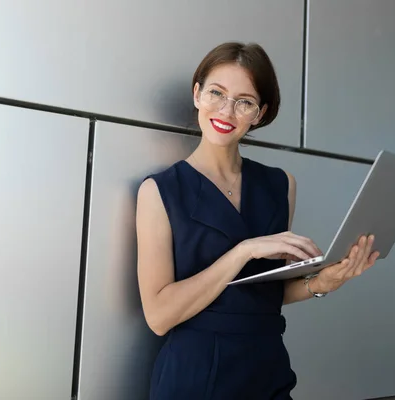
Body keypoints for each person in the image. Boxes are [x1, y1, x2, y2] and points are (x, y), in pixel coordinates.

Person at [136, 41, 379, 400]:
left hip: (267, 368)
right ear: (197, 94)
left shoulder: (281, 185)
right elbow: (158, 317)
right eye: (216, 93)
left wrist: (324, 281)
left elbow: (264, 294)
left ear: (260, 114)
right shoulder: (160, 191)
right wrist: (243, 252)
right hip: (196, 376)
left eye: (244, 102)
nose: (227, 110)